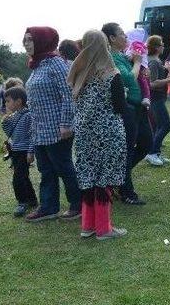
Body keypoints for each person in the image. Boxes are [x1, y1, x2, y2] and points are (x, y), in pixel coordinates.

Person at [67, 30, 128, 240]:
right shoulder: (111, 73)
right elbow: (120, 107)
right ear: (104, 46)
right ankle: (104, 228)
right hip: (108, 133)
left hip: (84, 134)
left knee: (88, 177)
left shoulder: (79, 73)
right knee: (105, 177)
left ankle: (88, 226)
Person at [23, 26, 82, 222]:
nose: (26, 43)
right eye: (25, 40)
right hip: (40, 129)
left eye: (30, 39)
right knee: (46, 170)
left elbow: (69, 95)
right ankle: (48, 207)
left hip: (58, 128)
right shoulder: (37, 65)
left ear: (42, 41)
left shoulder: (57, 63)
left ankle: (78, 204)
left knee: (63, 166)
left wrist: (66, 124)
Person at [102, 22, 152, 205]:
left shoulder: (123, 55)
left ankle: (117, 179)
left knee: (147, 142)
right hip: (128, 108)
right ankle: (126, 192)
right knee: (128, 150)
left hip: (139, 107)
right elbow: (128, 77)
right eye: (122, 34)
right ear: (112, 38)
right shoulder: (111, 58)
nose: (126, 37)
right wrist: (138, 63)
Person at [1, 86, 38, 217]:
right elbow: (10, 132)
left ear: (19, 101)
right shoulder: (14, 115)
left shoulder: (28, 116)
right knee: (24, 176)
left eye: (8, 101)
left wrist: (30, 151)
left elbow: (33, 135)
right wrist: (5, 121)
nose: (6, 103)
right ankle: (32, 200)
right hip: (15, 150)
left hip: (23, 151)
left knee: (18, 177)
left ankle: (22, 202)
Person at [146, 35, 170, 166]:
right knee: (166, 125)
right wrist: (169, 80)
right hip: (155, 97)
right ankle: (151, 153)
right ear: (157, 47)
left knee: (158, 126)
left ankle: (155, 152)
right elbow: (152, 83)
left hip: (159, 97)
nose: (164, 46)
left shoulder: (156, 60)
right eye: (162, 44)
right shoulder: (153, 61)